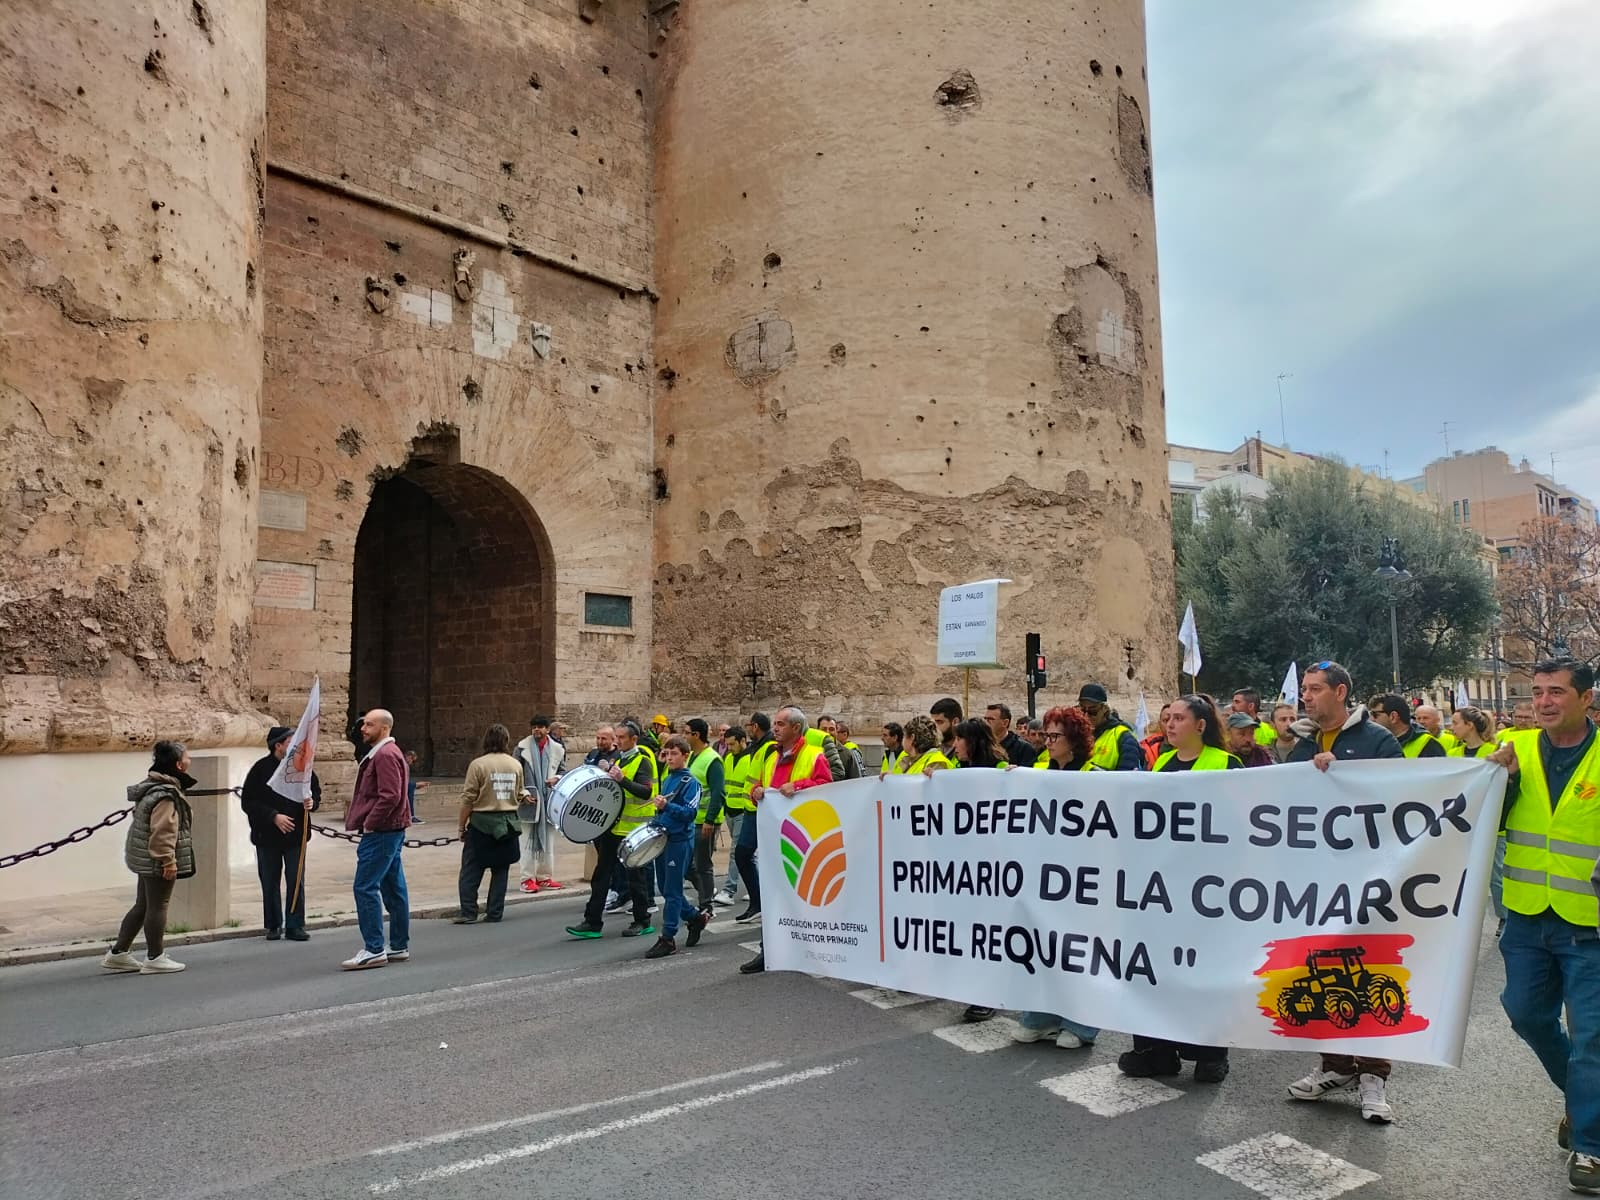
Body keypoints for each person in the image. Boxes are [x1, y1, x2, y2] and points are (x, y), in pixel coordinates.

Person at [1491, 658, 1600, 1194]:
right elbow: (1475, 817)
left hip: (1590, 924)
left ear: (1586, 698)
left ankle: (1591, 1146)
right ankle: (1585, 1104)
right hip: (1527, 918)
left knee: (1592, 1040)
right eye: (1537, 692)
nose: (1543, 702)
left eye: (1556, 691)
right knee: (1526, 1015)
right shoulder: (1512, 749)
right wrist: (1501, 780)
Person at [1281, 661, 1402, 1122]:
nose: (1306, 696)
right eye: (1305, 689)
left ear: (1340, 692)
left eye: (1315, 689)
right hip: (1316, 880)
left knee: (1368, 969)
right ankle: (1335, 1065)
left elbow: (1399, 798)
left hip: (1366, 878)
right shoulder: (1303, 743)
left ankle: (1373, 1075)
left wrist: (1343, 776)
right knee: (1321, 967)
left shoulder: (1377, 741)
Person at [1117, 695, 1240, 1081]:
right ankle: (1156, 1050)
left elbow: (1241, 823)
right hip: (1163, 887)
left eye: (1179, 719)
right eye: (1167, 718)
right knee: (1156, 968)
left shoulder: (1226, 764)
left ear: (1200, 726)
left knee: (1202, 971)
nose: (1169, 725)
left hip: (1206, 887)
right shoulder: (1163, 764)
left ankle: (1210, 1054)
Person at [1013, 706, 1103, 1049]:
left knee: (1079, 953)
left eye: (1055, 736)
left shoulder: (1096, 776)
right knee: (1042, 947)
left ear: (1074, 740)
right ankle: (1038, 1018)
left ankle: (1081, 1025)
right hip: (1044, 876)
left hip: (1082, 879)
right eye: (1046, 735)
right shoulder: (1036, 773)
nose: (1048, 742)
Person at [739, 706, 833, 974]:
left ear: (795, 728)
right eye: (775, 723)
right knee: (773, 895)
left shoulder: (814, 755)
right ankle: (768, 949)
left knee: (804, 896)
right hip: (773, 838)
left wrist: (799, 786)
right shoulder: (771, 756)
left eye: (781, 724)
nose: (775, 728)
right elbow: (758, 787)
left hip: (803, 838)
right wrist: (756, 792)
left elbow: (827, 787)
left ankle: (814, 950)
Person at [102, 741, 196, 975]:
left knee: (143, 905)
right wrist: (168, 860)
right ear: (178, 764)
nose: (190, 760)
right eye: (187, 757)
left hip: (144, 856)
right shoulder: (166, 794)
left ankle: (118, 953)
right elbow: (163, 830)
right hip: (156, 859)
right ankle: (155, 957)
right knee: (158, 906)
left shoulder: (152, 787)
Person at [568, 720, 657, 940]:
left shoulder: (642, 761)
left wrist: (622, 779)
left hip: (632, 829)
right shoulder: (619, 758)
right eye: (616, 738)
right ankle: (592, 922)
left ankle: (642, 920)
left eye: (622, 738)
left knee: (635, 878)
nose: (618, 741)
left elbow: (646, 792)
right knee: (601, 875)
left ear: (633, 739)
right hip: (613, 826)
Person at [342, 709, 411, 970]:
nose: (363, 728)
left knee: (365, 887)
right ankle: (398, 945)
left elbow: (390, 795)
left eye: (369, 725)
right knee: (393, 887)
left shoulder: (384, 755)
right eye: (364, 724)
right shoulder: (387, 753)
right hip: (390, 829)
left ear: (384, 728)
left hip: (382, 831)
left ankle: (373, 949)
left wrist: (370, 823)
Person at [240, 725, 321, 942]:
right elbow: (248, 801)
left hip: (295, 835)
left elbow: (314, 791)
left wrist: (312, 802)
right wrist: (273, 816)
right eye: (290, 742)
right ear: (278, 746)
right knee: (270, 881)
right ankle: (273, 924)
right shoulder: (260, 769)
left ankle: (295, 925)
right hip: (267, 836)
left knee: (296, 881)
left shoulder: (302, 766)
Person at [453, 724, 524, 924]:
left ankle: (469, 912)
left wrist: (461, 826)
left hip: (481, 823)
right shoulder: (515, 765)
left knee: (471, 870)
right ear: (506, 741)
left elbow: (468, 798)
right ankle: (495, 912)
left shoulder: (478, 765)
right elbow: (519, 792)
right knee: (500, 870)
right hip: (508, 823)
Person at [644, 736, 704, 959]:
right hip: (664, 838)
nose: (669, 758)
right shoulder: (669, 778)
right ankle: (695, 918)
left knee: (672, 890)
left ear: (685, 756)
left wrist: (667, 806)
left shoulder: (691, 782)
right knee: (666, 888)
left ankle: (668, 937)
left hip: (679, 841)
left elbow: (690, 813)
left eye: (674, 754)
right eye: (666, 754)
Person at [1454, 704, 1507, 931]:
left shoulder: (1492, 752)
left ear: (1469, 725)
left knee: (1495, 876)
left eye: (1456, 723)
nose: (1452, 727)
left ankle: (1504, 918)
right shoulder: (1452, 754)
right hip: (1462, 825)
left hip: (1491, 825)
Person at [514, 714, 566, 893]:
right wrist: (522, 793)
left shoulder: (557, 749)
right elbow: (515, 774)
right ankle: (527, 878)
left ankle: (544, 877)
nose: (536, 729)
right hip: (529, 800)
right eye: (534, 726)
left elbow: (563, 771)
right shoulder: (521, 748)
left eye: (540, 726)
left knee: (549, 841)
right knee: (527, 842)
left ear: (547, 729)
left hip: (549, 801)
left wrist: (556, 778)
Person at [683, 718, 726, 919]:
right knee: (688, 864)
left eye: (687, 732)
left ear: (696, 735)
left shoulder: (712, 760)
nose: (684, 736)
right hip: (691, 820)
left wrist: (710, 819)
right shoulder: (692, 756)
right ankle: (705, 892)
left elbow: (718, 792)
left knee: (703, 865)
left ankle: (706, 905)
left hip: (705, 821)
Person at [715, 726, 754, 908]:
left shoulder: (752, 758)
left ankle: (729, 890)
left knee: (735, 851)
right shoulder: (729, 758)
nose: (729, 748)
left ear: (742, 741)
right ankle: (756, 886)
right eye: (727, 744)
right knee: (748, 854)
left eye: (732, 744)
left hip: (744, 811)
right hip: (729, 810)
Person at [1077, 684, 1145, 770]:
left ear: (1104, 709)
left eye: (1093, 711)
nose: (1086, 715)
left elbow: (1128, 774)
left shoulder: (1123, 737)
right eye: (1082, 710)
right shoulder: (1074, 734)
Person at [1370, 693, 1447, 758]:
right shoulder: (1377, 743)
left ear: (1393, 717)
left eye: (1375, 714)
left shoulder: (1429, 746)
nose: (1371, 719)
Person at [985, 702, 1035, 770]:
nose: (986, 723)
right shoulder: (981, 746)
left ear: (1005, 723)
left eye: (990, 719)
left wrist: (1016, 770)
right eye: (985, 719)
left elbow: (1027, 773)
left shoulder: (1023, 748)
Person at [1138, 702, 1172, 769]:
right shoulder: (1145, 751)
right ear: (1159, 724)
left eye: (1176, 719)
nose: (1170, 724)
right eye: (1166, 720)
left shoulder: (1190, 750)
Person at [402, 749, 428, 824]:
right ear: (409, 757)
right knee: (410, 788)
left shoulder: (405, 765)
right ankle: (411, 816)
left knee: (411, 787)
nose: (412, 763)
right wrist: (416, 785)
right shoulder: (403, 764)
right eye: (412, 760)